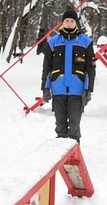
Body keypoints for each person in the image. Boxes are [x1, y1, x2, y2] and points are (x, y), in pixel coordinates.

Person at [41, 9, 96, 143]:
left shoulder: (86, 42)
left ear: (76, 23)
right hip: (58, 88)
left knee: (74, 125)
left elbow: (90, 68)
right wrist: (45, 88)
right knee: (60, 126)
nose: (69, 23)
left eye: (72, 21)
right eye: (67, 21)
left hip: (77, 90)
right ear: (63, 22)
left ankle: (74, 158)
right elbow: (46, 67)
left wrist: (88, 90)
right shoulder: (52, 42)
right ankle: (61, 157)